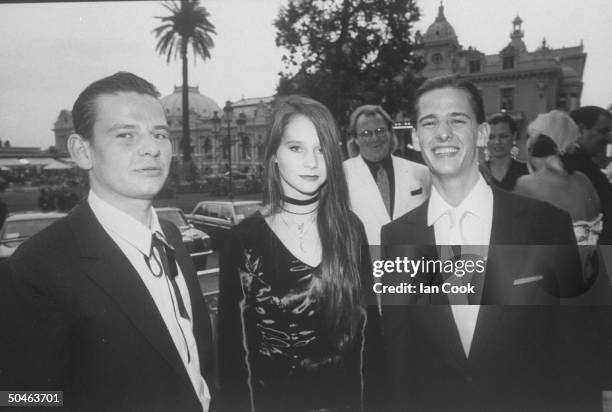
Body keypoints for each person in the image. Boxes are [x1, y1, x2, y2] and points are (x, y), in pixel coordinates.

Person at [379, 75, 608, 411]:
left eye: (457, 120)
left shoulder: (544, 225)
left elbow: (572, 348)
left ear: (482, 133)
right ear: (415, 137)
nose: (443, 133)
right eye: (430, 122)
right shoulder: (397, 238)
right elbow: (401, 358)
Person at [1, 72, 214, 411]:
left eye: (160, 134)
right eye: (126, 135)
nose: (152, 148)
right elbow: (22, 399)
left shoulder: (170, 236)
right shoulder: (36, 268)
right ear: (82, 151)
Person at [218, 95, 381, 412]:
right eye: (296, 148)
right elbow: (233, 358)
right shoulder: (244, 240)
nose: (312, 161)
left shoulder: (350, 229)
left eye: (322, 149)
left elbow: (370, 339)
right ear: (274, 155)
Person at [343, 105, 430, 246]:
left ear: (390, 133)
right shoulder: (341, 175)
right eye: (365, 133)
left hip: (414, 262)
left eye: (380, 131)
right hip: (365, 263)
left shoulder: (422, 173)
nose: (374, 138)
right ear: (355, 139)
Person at [563, 106, 612, 244]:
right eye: (603, 131)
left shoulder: (581, 163)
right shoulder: (576, 166)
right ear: (580, 130)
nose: (608, 139)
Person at [481, 112, 528, 190]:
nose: (497, 142)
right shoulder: (477, 173)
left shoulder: (526, 172)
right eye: (491, 137)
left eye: (503, 136)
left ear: (514, 136)